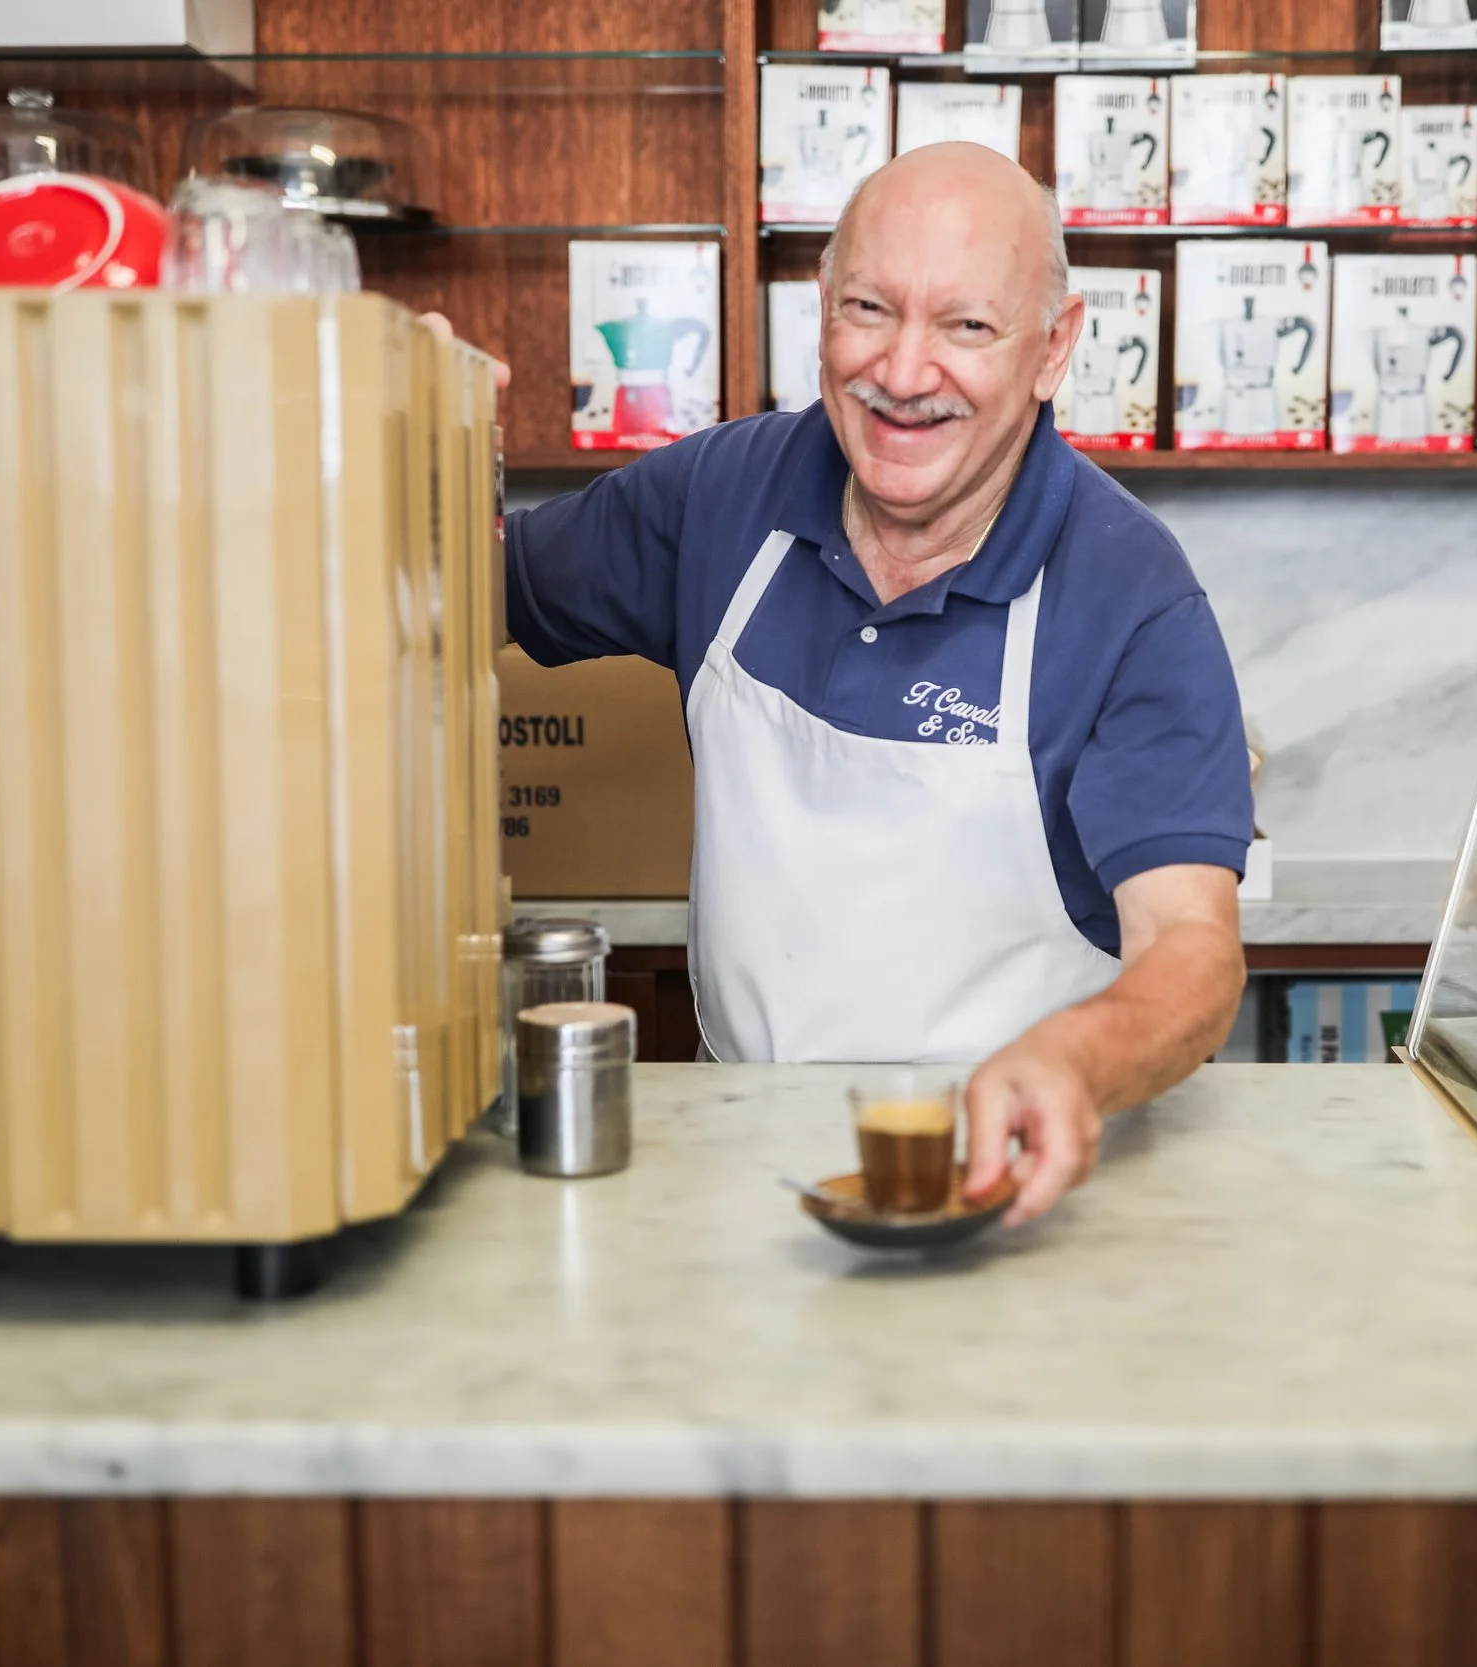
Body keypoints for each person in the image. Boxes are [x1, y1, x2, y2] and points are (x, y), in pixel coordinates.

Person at [494, 143, 1252, 1225]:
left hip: (1018, 1195)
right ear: (821, 309)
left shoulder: (1130, 595)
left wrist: (1078, 1060)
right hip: (744, 1193)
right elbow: (467, 582)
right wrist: (407, 423)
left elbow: (1192, 947)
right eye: (869, 308)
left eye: (966, 326)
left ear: (1054, 348)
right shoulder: (717, 496)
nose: (901, 373)